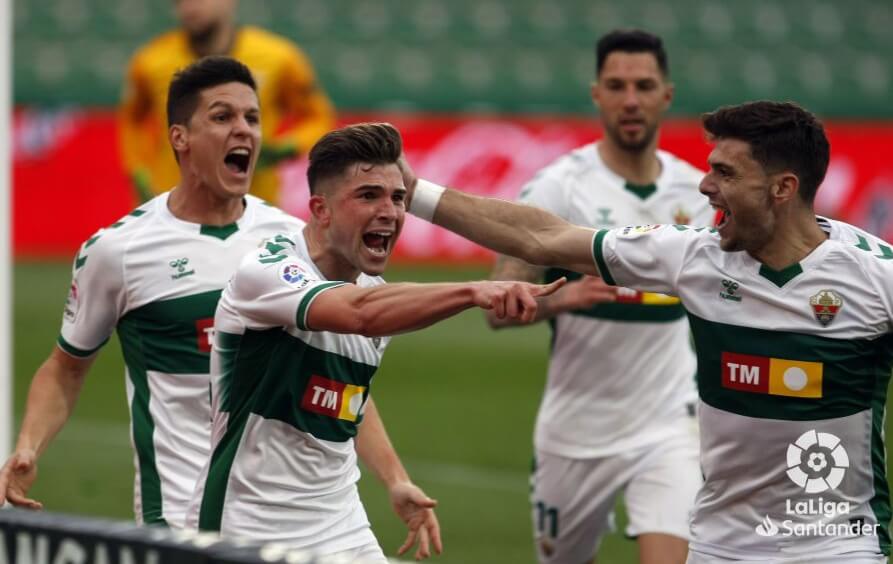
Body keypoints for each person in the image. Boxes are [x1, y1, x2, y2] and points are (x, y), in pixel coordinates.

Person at [403, 100, 893, 563]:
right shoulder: (694, 259)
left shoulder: (876, 278)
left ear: (782, 188)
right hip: (720, 547)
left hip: (837, 545)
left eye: (725, 172)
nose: (705, 187)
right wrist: (414, 192)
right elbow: (544, 236)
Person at [0, 58, 440, 560]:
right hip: (184, 523)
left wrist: (394, 479)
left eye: (253, 118)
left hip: (290, 512)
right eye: (223, 117)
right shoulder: (119, 250)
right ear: (180, 137)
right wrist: (29, 446)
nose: (244, 131)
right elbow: (65, 368)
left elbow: (335, 370)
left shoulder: (291, 239)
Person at [184, 122, 564, 562]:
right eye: (368, 195)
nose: (390, 211)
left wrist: (396, 479)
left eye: (398, 197)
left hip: (340, 526)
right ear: (320, 210)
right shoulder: (268, 272)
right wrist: (474, 291)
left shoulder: (374, 289)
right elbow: (358, 314)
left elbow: (350, 397)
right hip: (243, 527)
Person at [484, 29, 709, 564]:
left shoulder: (698, 194)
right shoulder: (560, 188)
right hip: (577, 430)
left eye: (643, 85)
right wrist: (554, 302)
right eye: (617, 85)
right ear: (597, 94)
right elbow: (499, 304)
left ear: (666, 95)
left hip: (669, 423)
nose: (631, 99)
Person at [119, 0, 334, 205]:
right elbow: (132, 121)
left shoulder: (279, 58)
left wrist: (284, 148)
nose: (189, 7)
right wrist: (139, 173)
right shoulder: (151, 61)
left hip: (254, 205)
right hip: (176, 205)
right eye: (180, 1)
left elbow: (317, 116)